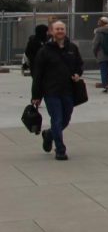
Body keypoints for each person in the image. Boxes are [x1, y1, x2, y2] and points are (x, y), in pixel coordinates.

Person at [30, 20, 84, 160]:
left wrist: (78, 73)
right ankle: (60, 150)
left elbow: (79, 65)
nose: (60, 31)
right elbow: (38, 75)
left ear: (65, 31)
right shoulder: (44, 51)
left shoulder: (72, 48)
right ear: (51, 32)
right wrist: (36, 95)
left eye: (62, 29)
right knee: (57, 119)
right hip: (51, 91)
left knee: (66, 119)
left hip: (68, 90)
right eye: (57, 29)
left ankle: (49, 135)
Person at [91, 16, 108, 92]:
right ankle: (107, 82)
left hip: (101, 53)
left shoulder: (99, 32)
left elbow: (95, 43)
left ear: (101, 23)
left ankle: (105, 85)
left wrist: (95, 52)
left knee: (103, 69)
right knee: (107, 68)